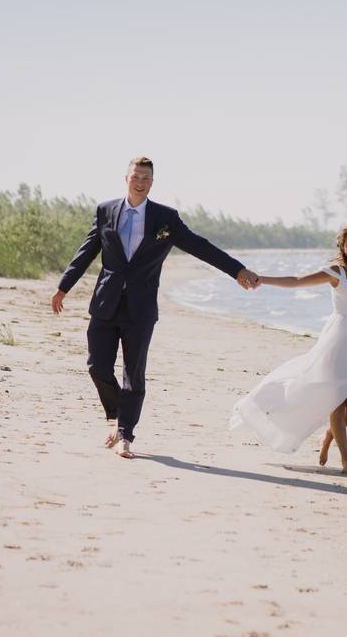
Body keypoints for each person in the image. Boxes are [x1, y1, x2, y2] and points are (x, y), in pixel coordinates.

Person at [51, 156, 259, 458]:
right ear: (126, 179)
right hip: (105, 303)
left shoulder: (166, 218)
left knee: (133, 374)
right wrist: (63, 287)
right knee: (97, 367)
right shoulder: (105, 210)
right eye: (136, 177)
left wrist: (237, 270)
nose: (140, 182)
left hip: (141, 308)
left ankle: (125, 434)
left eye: (146, 178)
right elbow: (86, 252)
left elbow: (200, 246)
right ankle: (117, 415)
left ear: (152, 182)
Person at [231, 225, 347, 474]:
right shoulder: (336, 272)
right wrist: (263, 279)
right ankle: (346, 462)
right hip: (335, 343)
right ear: (342, 248)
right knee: (336, 401)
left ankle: (328, 436)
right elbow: (296, 282)